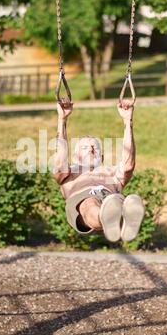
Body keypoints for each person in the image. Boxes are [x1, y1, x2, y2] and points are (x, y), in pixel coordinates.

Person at [52, 98, 145, 242]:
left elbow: (128, 166)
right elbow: (59, 160)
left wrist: (128, 121)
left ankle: (122, 216)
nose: (90, 148)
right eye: (84, 147)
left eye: (95, 147)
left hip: (109, 197)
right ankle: (108, 217)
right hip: (82, 201)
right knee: (90, 204)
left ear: (101, 157)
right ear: (75, 156)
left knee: (116, 200)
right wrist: (62, 119)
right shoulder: (69, 173)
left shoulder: (111, 172)